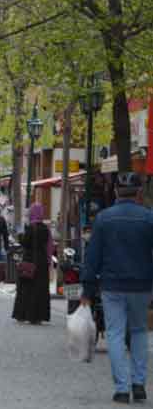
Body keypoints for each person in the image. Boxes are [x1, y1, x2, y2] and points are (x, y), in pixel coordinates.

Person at [81, 173, 153, 404]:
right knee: (140, 331)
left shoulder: (103, 219)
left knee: (114, 333)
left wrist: (87, 288)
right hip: (142, 285)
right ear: (139, 193)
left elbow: (93, 256)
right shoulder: (149, 218)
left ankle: (122, 388)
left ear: (115, 192)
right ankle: (139, 384)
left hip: (112, 285)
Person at [12, 203, 51, 325]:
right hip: (42, 261)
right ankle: (38, 316)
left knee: (26, 288)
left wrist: (20, 234)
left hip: (29, 260)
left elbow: (24, 243)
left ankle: (23, 314)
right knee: (40, 289)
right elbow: (48, 245)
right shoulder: (45, 229)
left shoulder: (30, 228)